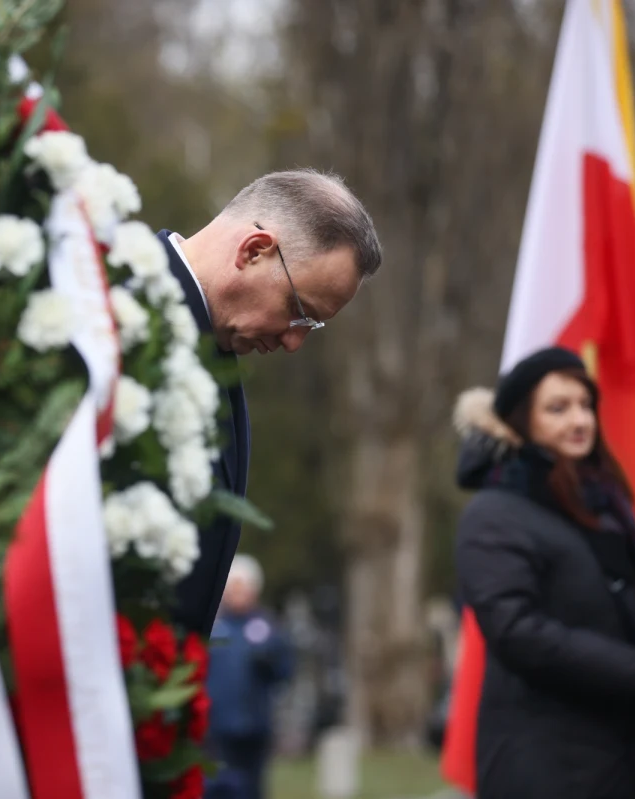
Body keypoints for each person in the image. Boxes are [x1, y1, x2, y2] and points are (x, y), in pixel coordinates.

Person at [452, 346, 635, 799]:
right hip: (547, 766)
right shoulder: (494, 514)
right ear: (520, 422)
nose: (580, 420)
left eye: (586, 405)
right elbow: (517, 631)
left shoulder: (598, 504)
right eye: (558, 408)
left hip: (616, 757)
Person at [161, 169, 382, 637]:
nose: (293, 342)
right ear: (254, 251)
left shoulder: (206, 344)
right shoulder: (115, 316)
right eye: (299, 311)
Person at [205, 554, 294, 799]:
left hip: (255, 726)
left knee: (252, 788)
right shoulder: (213, 626)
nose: (239, 593)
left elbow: (285, 672)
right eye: (234, 587)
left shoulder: (268, 627)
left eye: (243, 587)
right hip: (217, 727)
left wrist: (270, 662)